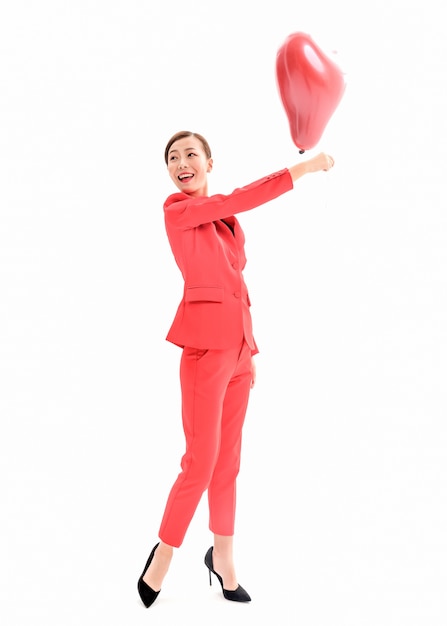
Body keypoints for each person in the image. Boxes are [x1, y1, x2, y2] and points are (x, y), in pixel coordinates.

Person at [137, 130, 335, 608]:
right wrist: (301, 169)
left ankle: (223, 558)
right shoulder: (177, 210)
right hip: (204, 350)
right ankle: (163, 552)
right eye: (172, 157)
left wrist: (247, 351)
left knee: (228, 464)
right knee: (200, 463)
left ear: (209, 161)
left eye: (190, 155)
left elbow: (235, 283)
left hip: (239, 353)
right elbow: (243, 197)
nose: (181, 163)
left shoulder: (225, 223)